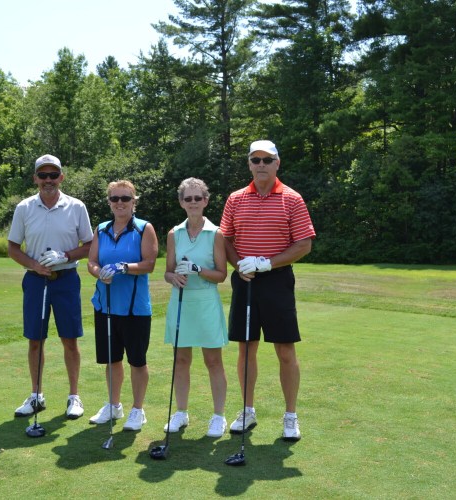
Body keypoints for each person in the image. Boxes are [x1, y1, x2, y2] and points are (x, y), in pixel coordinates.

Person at [219, 140, 316, 442]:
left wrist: (266, 263)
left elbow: (304, 244)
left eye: (267, 160)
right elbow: (225, 239)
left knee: (285, 349)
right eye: (255, 160)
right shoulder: (235, 199)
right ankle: (247, 410)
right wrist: (239, 265)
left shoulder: (292, 199)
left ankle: (290, 416)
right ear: (249, 164)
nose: (261, 165)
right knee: (246, 348)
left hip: (277, 281)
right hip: (245, 282)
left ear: (277, 163)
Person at [7, 154, 94, 421]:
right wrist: (34, 264)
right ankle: (36, 395)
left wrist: (65, 256)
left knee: (70, 339)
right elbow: (12, 247)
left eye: (53, 175)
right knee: (35, 340)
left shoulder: (76, 206)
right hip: (35, 281)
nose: (48, 180)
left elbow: (90, 245)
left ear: (61, 177)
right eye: (42, 175)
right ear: (35, 178)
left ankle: (73, 396)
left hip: (66, 279)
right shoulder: (24, 208)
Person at [87, 180, 158, 432]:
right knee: (111, 359)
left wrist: (124, 267)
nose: (119, 203)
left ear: (134, 201)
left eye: (125, 199)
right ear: (108, 202)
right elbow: (92, 261)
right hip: (105, 305)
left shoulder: (143, 228)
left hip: (134, 308)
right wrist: (99, 273)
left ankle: (138, 410)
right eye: (114, 198)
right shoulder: (102, 229)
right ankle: (113, 404)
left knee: (137, 361)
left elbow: (149, 263)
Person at [162, 178, 229, 438]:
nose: (193, 203)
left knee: (213, 361)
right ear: (181, 202)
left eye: (197, 198)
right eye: (187, 199)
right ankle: (180, 413)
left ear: (206, 201)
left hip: (205, 301)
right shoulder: (173, 234)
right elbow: (167, 272)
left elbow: (221, 274)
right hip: (181, 301)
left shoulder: (216, 233)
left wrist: (198, 269)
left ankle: (218, 416)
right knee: (181, 360)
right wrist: (173, 277)